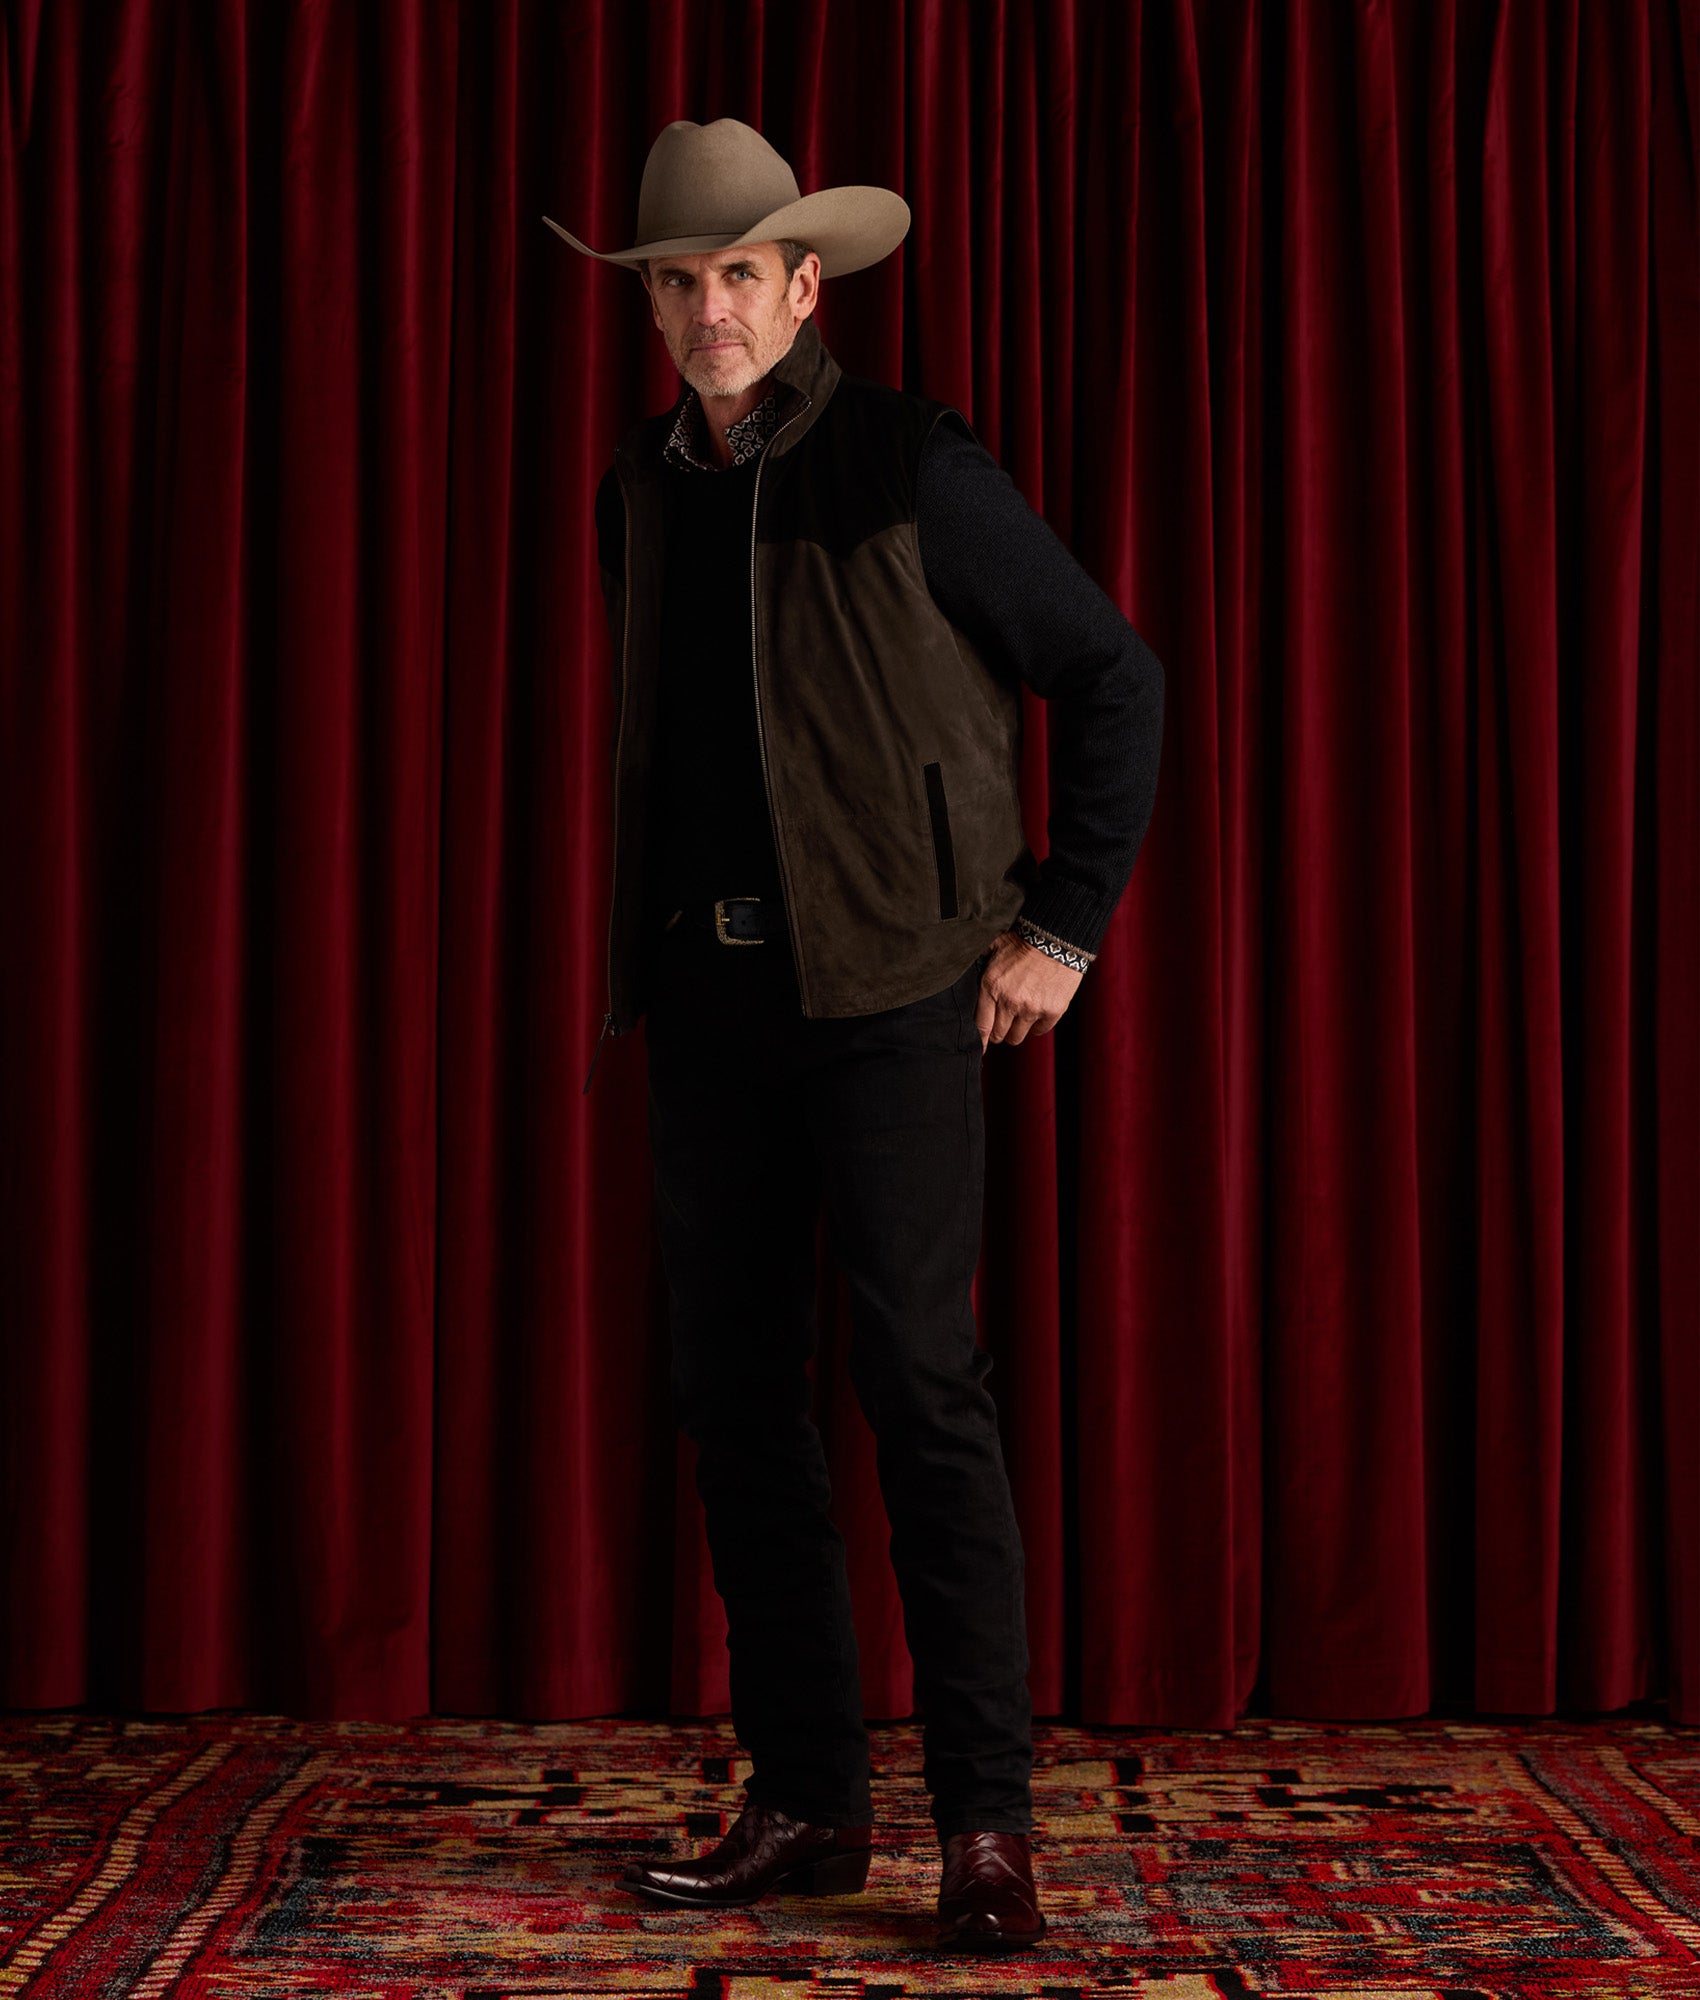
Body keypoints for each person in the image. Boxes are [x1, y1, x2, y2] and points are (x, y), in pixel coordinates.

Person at [543, 117, 1164, 1955]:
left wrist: (1060, 923)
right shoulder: (637, 490)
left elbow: (1112, 676)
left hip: (894, 993)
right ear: (650, 306)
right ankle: (809, 1799)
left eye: (740, 274)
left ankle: (986, 1826)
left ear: (806, 286)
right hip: (710, 1004)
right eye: (677, 281)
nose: (709, 310)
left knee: (921, 1390)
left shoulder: (910, 463)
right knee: (738, 1405)